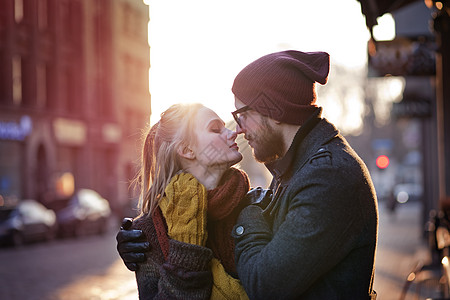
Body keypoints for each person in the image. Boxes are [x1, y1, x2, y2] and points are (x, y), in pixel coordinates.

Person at [117, 50, 379, 299]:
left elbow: (266, 285)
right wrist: (140, 242)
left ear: (273, 110)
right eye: (216, 128)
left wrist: (247, 213)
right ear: (186, 150)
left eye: (240, 115)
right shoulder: (292, 171)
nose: (237, 130)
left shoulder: (321, 176)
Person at [124, 103, 250, 299]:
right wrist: (186, 254)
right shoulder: (148, 230)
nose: (233, 133)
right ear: (187, 150)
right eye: (216, 129)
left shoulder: (255, 204)